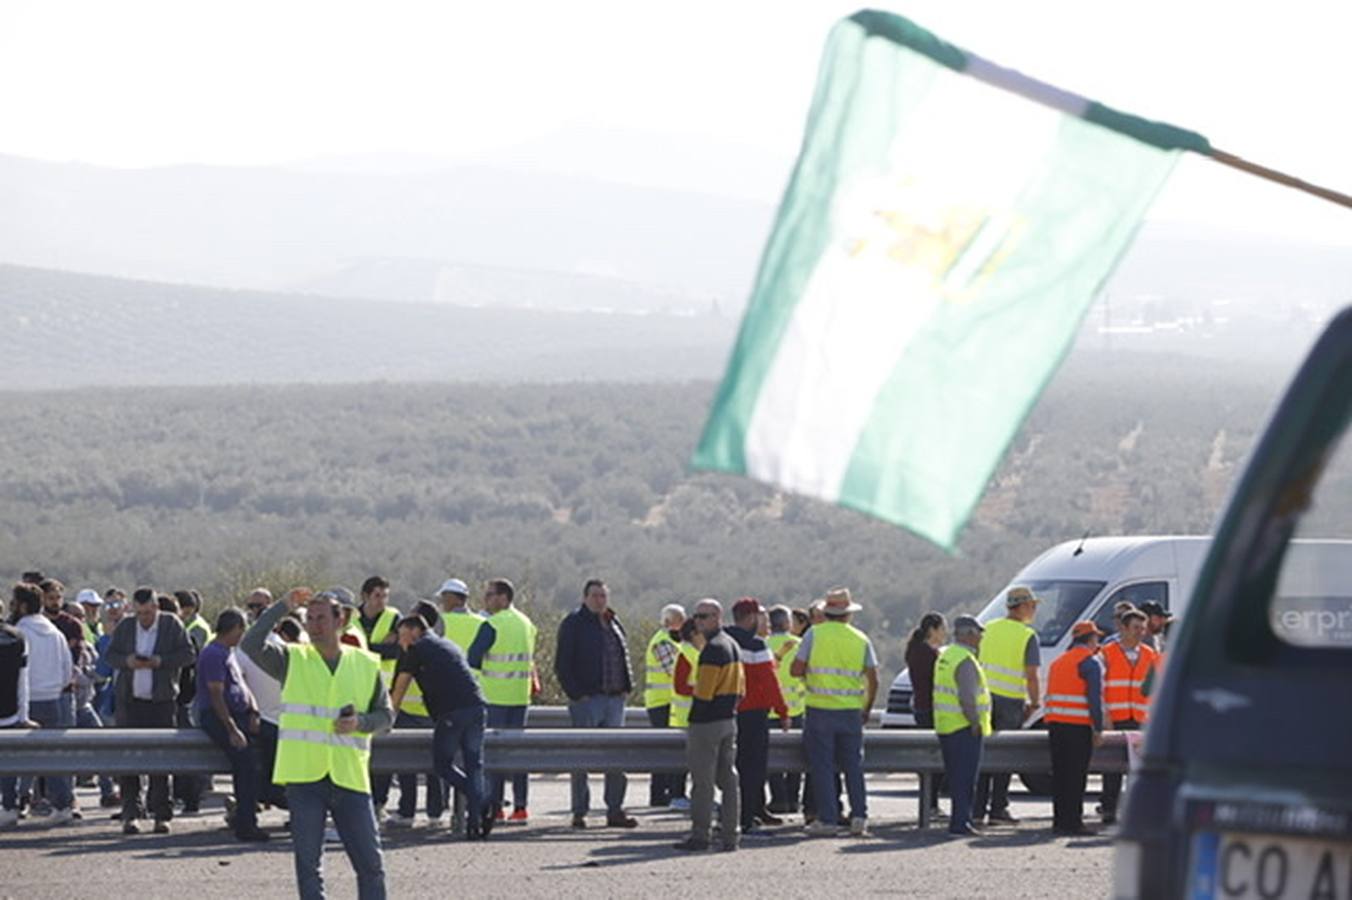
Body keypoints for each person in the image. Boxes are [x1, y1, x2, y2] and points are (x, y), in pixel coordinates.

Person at [241, 587, 392, 900]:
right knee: (309, 866)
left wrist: (360, 724)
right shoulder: (292, 658)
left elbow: (386, 716)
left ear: (341, 620)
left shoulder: (365, 663)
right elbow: (251, 643)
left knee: (371, 865)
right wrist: (282, 606)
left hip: (349, 777)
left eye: (322, 618)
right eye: (309, 618)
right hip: (305, 778)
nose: (314, 624)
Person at [390, 602, 491, 840]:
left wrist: (386, 719)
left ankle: (483, 800)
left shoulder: (416, 650)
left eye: (403, 637)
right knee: (473, 763)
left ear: (415, 632)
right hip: (477, 708)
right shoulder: (446, 644)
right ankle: (475, 822)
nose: (401, 643)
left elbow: (399, 691)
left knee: (443, 765)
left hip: (452, 714)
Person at [107, 586, 195, 834]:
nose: (144, 618)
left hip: (161, 702)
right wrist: (128, 662)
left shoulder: (171, 625)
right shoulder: (125, 627)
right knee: (129, 761)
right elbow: (110, 656)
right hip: (130, 702)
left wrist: (160, 661)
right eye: (139, 613)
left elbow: (188, 655)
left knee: (161, 760)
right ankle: (131, 814)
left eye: (148, 612)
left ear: (156, 608)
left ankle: (161, 814)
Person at [792, 587, 879, 837]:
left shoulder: (814, 635)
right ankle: (860, 817)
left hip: (819, 711)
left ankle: (828, 819)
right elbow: (874, 679)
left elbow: (796, 670)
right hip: (851, 712)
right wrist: (867, 708)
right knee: (854, 766)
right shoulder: (861, 638)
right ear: (848, 614)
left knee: (822, 767)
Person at [554, 578, 637, 829]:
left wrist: (626, 687)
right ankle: (580, 812)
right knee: (582, 758)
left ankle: (615, 810)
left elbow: (623, 656)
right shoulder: (574, 623)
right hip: (588, 701)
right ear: (585, 597)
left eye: (603, 595)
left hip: (614, 700)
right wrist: (577, 694)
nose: (600, 600)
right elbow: (562, 664)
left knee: (616, 758)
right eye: (595, 596)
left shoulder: (613, 621)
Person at [673, 599, 745, 852]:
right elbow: (741, 689)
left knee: (702, 783)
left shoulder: (712, 650)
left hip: (707, 723)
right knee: (729, 780)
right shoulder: (733, 645)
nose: (699, 621)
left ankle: (700, 836)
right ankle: (731, 835)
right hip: (728, 720)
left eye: (704, 616)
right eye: (697, 616)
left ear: (718, 617)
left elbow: (703, 694)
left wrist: (696, 718)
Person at [466, 578, 538, 823]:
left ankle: (495, 807)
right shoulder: (527, 623)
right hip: (520, 697)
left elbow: (473, 658)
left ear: (503, 597)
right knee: (519, 754)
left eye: (489, 595)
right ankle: (520, 807)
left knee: (494, 755)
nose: (486, 599)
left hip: (495, 696)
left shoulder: (492, 624)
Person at [196, 607, 269, 842]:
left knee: (256, 762)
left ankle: (248, 815)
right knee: (245, 765)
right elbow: (216, 694)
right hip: (218, 717)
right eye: (241, 630)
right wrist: (232, 729)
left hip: (239, 714)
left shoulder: (229, 653)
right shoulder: (213, 654)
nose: (242, 635)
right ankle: (246, 824)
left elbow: (242, 685)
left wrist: (253, 711)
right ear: (233, 629)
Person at [974, 585, 1042, 826]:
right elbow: (1032, 675)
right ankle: (998, 808)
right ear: (1021, 607)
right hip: (1011, 701)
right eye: (1032, 606)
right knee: (1004, 756)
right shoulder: (1027, 635)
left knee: (983, 754)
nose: (1034, 610)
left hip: (984, 699)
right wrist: (1034, 703)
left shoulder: (987, 629)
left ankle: (976, 809)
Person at [726, 597, 789, 835]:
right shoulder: (756, 645)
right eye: (762, 615)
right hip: (753, 714)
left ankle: (745, 812)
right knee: (753, 767)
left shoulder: (723, 639)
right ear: (751, 617)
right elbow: (770, 681)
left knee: (733, 767)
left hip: (727, 713)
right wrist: (782, 710)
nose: (766, 620)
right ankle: (747, 817)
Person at [237, 608, 303, 812]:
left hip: (257, 721)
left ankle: (252, 805)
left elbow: (239, 682)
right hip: (287, 720)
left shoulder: (243, 650)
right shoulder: (289, 649)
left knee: (256, 776)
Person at [1045, 621, 1105, 837]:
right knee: (1076, 776)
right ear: (1090, 640)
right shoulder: (1089, 663)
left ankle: (1059, 821)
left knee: (1060, 775)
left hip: (1055, 725)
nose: (1097, 642)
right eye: (1096, 638)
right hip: (1077, 727)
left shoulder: (1058, 662)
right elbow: (1094, 699)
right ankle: (1073, 823)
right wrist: (1098, 728)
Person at [1098, 609, 1158, 825]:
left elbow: (1154, 689)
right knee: (1112, 769)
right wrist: (1106, 717)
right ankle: (1109, 809)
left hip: (1141, 719)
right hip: (1116, 717)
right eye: (1136, 628)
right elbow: (1100, 688)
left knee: (1138, 769)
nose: (1140, 633)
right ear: (1122, 628)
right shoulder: (1107, 652)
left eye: (1143, 628)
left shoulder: (1150, 654)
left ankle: (1134, 812)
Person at [933, 615, 991, 837]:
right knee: (965, 780)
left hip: (947, 725)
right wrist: (975, 721)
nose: (981, 638)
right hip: (963, 726)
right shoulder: (965, 659)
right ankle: (960, 823)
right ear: (969, 635)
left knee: (957, 777)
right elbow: (967, 696)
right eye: (978, 633)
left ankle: (960, 821)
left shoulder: (946, 655)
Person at [1, 589, 40, 829]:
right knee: (6, 765)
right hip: (10, 712)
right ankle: (9, 806)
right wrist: (24, 716)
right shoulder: (18, 637)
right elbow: (22, 681)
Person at [642, 603, 686, 808]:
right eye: (680, 620)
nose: (683, 624)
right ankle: (664, 795)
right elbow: (676, 671)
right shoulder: (662, 642)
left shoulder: (672, 641)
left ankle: (664, 794)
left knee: (667, 751)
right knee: (668, 751)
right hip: (662, 703)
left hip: (668, 702)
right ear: (669, 622)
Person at [905, 612, 948, 821]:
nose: (945, 633)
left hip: (922, 708)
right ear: (932, 630)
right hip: (930, 709)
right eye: (942, 629)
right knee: (934, 759)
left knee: (932, 758)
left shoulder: (918, 651)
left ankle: (930, 803)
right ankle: (930, 805)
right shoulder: (927, 654)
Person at [766, 605, 806, 815]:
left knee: (772, 759)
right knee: (796, 757)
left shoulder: (763, 645)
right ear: (788, 623)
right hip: (797, 708)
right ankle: (793, 798)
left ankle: (778, 799)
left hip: (770, 710)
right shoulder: (800, 644)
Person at [668, 618, 704, 812]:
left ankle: (693, 796)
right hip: (685, 716)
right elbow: (680, 686)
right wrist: (704, 689)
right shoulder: (686, 653)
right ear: (693, 634)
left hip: (694, 715)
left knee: (695, 761)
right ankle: (677, 795)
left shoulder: (696, 652)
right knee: (684, 761)